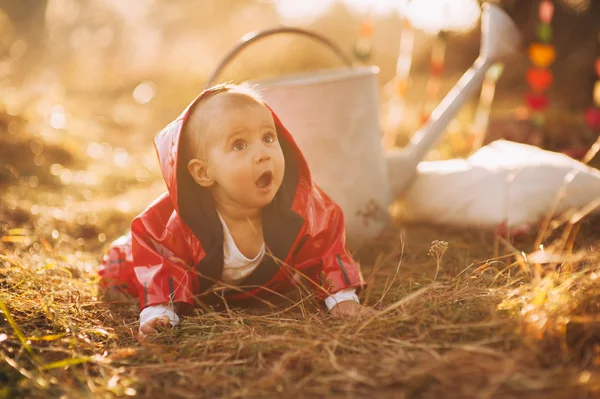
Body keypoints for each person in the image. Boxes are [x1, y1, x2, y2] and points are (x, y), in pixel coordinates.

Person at [98, 83, 373, 340]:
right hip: (159, 265)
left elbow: (324, 246)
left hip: (256, 283)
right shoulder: (176, 227)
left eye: (268, 137)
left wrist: (342, 298)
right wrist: (161, 312)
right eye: (239, 145)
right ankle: (122, 259)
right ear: (203, 172)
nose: (263, 153)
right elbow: (160, 258)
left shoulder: (302, 207)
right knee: (124, 265)